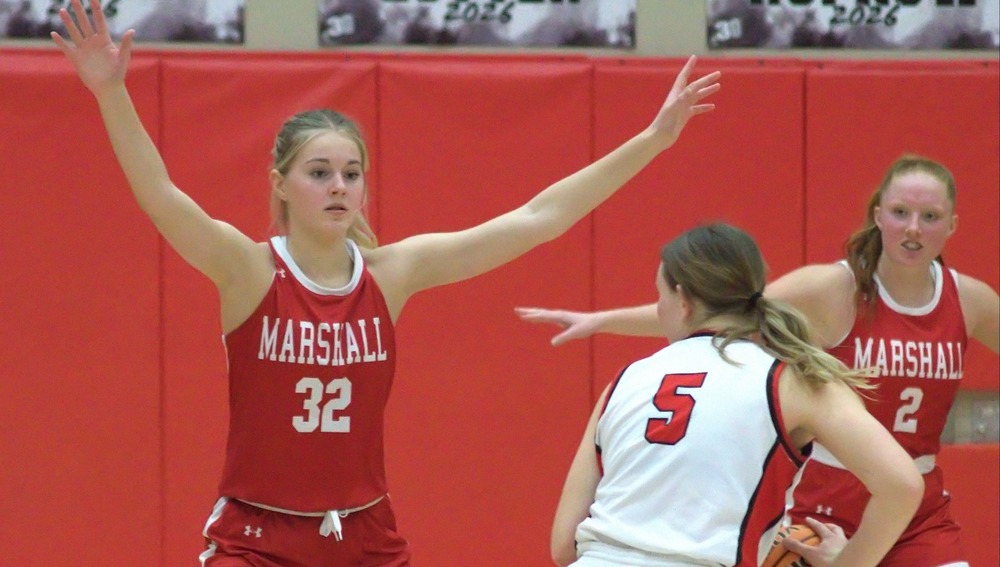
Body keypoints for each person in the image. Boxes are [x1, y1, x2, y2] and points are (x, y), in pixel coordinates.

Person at [51, 0, 721, 564]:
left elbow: (538, 218)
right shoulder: (249, 269)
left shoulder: (393, 273)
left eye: (351, 172)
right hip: (257, 535)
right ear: (281, 186)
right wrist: (111, 90)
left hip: (363, 532)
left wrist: (654, 139)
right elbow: (162, 196)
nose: (339, 185)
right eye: (319, 172)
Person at [520, 154, 1000, 567]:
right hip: (828, 494)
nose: (914, 228)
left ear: (953, 224)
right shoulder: (825, 301)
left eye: (930, 216)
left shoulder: (970, 300)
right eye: (900, 212)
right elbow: (725, 305)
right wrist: (604, 318)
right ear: (878, 216)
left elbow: (565, 546)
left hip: (915, 498)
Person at [552, 223, 923, 567]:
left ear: (682, 299)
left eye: (658, 294)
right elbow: (902, 486)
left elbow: (563, 545)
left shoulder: (623, 382)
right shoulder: (794, 381)